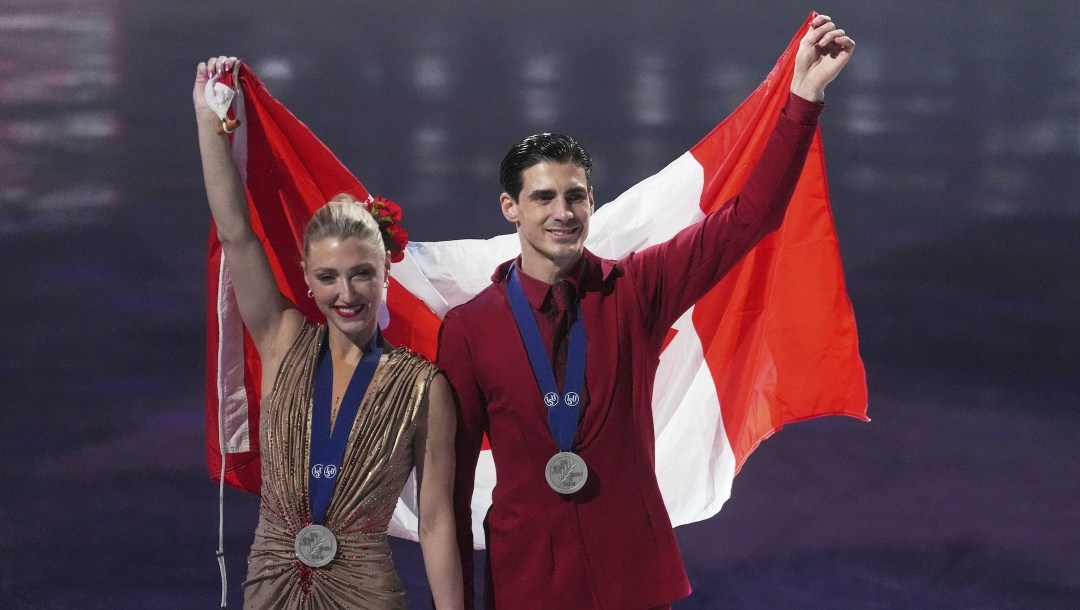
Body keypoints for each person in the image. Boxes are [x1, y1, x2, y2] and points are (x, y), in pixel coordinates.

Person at [436, 14, 855, 609]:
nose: (563, 212)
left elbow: (749, 220)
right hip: (528, 588)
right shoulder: (471, 329)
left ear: (591, 201)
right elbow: (450, 494)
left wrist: (803, 100)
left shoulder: (637, 290)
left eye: (576, 195)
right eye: (544, 197)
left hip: (633, 581)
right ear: (511, 208)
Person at [194, 56, 463, 609]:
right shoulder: (282, 339)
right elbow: (237, 234)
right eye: (328, 277)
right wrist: (208, 122)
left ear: (386, 274)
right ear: (307, 282)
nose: (347, 293)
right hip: (270, 589)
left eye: (362, 273)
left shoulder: (424, 389)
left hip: (366, 593)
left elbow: (437, 524)